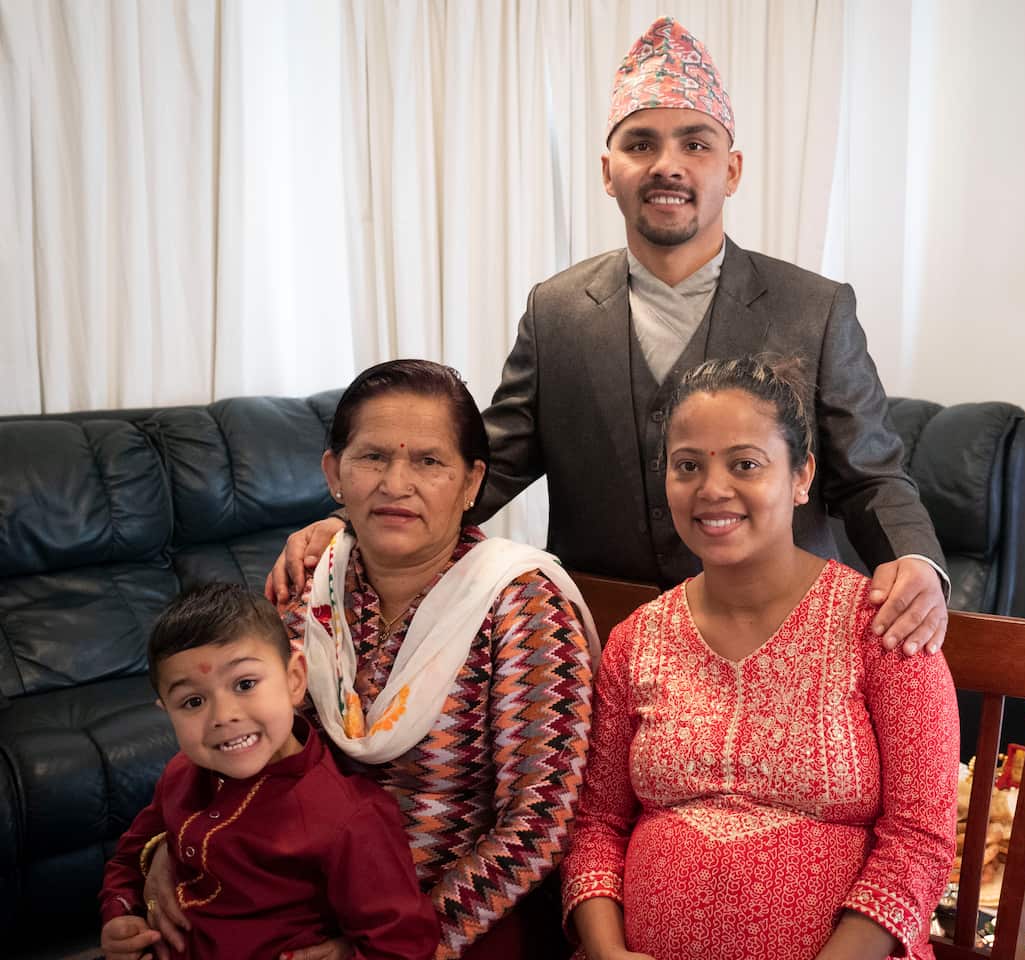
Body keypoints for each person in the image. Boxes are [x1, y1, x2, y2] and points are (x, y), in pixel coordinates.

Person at [268, 17, 950, 658]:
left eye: (695, 144)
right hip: (600, 637)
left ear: (732, 170)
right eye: (641, 144)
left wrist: (915, 561)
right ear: (607, 172)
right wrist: (354, 527)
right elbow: (488, 465)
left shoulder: (815, 308)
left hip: (778, 634)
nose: (667, 165)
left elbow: (872, 476)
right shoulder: (556, 311)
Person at [147, 360, 597, 960]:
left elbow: (540, 824)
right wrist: (165, 849)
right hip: (288, 907)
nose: (395, 483)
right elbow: (236, 735)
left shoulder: (522, 605)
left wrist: (392, 944)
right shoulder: (308, 587)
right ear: (335, 473)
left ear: (471, 482)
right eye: (373, 457)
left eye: (429, 461)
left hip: (454, 925)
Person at [561, 356, 959, 960]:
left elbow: (919, 840)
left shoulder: (883, 626)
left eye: (745, 463)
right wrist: (607, 952)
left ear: (802, 477)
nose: (712, 489)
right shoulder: (636, 639)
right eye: (687, 466)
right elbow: (598, 826)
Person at [99, 583, 439, 960]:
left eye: (245, 684)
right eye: (193, 702)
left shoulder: (352, 819)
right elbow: (128, 860)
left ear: (294, 680)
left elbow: (403, 945)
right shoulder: (181, 773)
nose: (223, 716)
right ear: (167, 712)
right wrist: (120, 913)